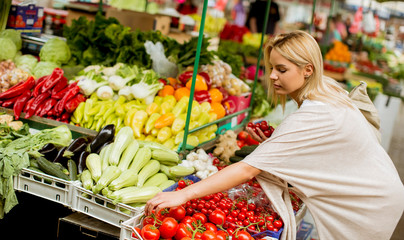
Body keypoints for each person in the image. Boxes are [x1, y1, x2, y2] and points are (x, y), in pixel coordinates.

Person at [145, 31, 404, 240]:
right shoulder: (327, 89)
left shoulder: (313, 112)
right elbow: (323, 145)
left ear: (308, 70)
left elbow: (246, 170)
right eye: (271, 67)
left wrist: (184, 195)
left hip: (367, 205)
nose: (271, 76)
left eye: (281, 69)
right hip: (379, 188)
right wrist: (274, 144)